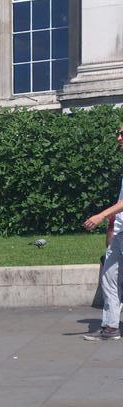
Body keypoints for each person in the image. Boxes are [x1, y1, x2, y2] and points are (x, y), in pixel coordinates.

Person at [83, 123, 123, 340]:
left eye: (122, 134)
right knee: (109, 277)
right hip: (120, 232)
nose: (118, 138)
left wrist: (101, 216)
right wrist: (112, 226)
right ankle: (110, 327)